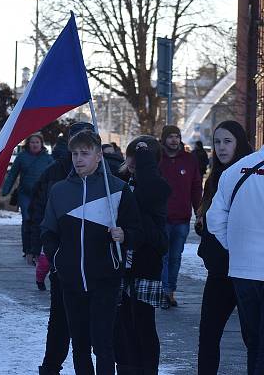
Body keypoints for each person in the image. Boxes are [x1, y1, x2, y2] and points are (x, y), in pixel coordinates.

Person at [41, 129, 141, 375]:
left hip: (105, 278)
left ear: (98, 156)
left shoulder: (117, 189)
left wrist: (124, 235)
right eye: (74, 153)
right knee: (80, 345)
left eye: (85, 153)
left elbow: (136, 230)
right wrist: (58, 262)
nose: (78, 159)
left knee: (103, 344)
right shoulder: (59, 191)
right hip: (71, 280)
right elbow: (48, 231)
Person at [28, 121, 94, 375]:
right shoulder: (55, 172)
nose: (80, 152)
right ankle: (51, 365)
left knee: (93, 321)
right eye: (76, 143)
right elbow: (38, 212)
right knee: (60, 318)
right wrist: (36, 247)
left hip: (96, 261)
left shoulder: (106, 176)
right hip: (63, 259)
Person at [195, 121, 253, 374]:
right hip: (218, 271)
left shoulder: (250, 175)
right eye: (217, 141)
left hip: (246, 271)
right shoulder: (215, 176)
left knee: (252, 338)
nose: (220, 147)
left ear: (239, 142)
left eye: (227, 141)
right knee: (208, 336)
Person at [207, 129, 264, 375]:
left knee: (254, 341)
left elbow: (214, 218)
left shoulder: (236, 170)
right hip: (246, 266)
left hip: (244, 269)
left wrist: (236, 246)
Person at [113, 136, 170, 374]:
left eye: (142, 158)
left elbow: (157, 237)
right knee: (123, 325)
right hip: (121, 264)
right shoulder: (120, 183)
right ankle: (127, 368)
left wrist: (145, 158)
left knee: (144, 324)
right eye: (132, 156)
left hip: (146, 265)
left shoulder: (157, 188)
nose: (135, 162)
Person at [159, 124, 203, 309]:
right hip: (162, 217)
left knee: (176, 257)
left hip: (182, 218)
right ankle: (164, 292)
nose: (174, 140)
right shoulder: (157, 158)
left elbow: (196, 187)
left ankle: (170, 291)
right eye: (170, 136)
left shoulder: (189, 159)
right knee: (164, 256)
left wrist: (199, 212)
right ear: (164, 139)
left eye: (177, 136)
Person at [1, 133, 53, 259]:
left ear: (41, 144)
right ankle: (27, 249)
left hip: (41, 195)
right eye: (32, 142)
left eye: (37, 142)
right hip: (25, 194)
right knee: (27, 219)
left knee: (40, 221)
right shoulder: (21, 157)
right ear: (28, 144)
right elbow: (13, 174)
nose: (35, 144)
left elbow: (53, 176)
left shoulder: (48, 159)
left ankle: (36, 248)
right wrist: (5, 190)